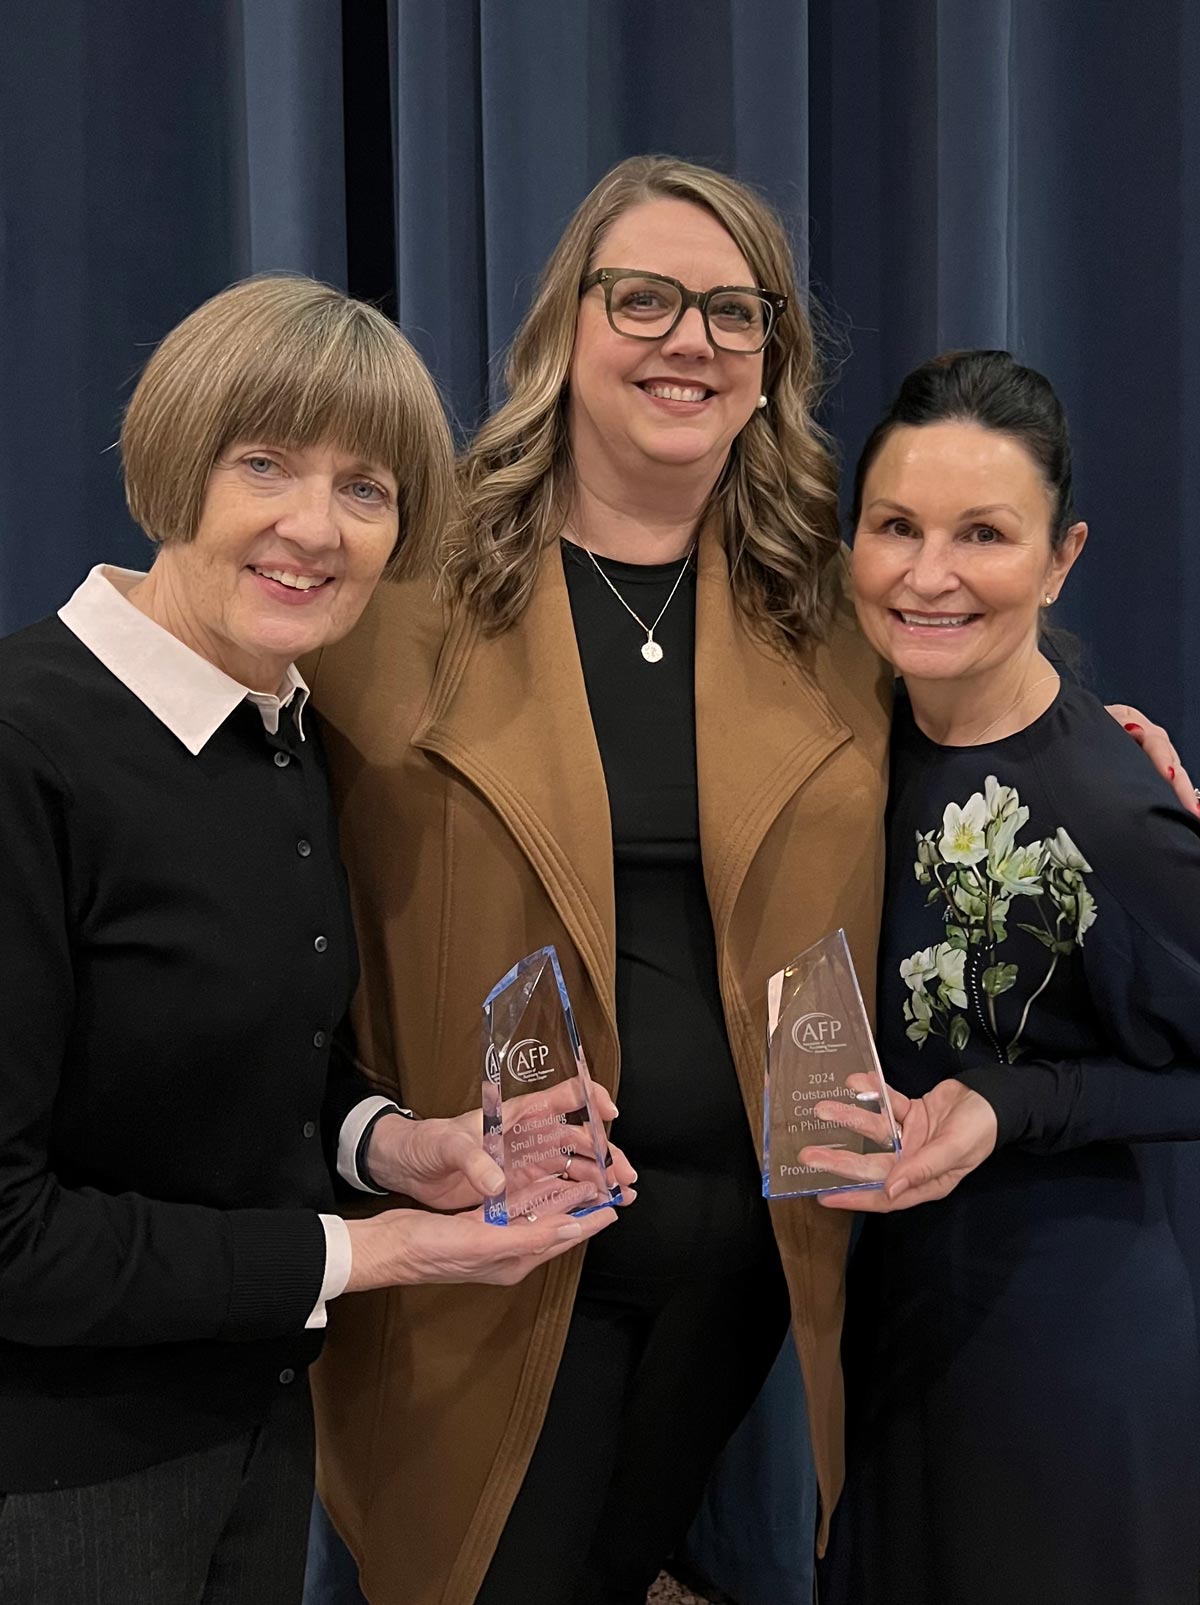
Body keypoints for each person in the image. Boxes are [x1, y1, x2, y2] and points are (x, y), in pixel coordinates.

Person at [304, 162, 1192, 1605]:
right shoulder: (405, 599)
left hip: (748, 1271)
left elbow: (984, 687)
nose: (689, 338)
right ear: (565, 329)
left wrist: (1113, 767)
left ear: (771, 359)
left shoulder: (825, 610)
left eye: (733, 311)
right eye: (643, 298)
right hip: (511, 1264)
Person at [0, 274, 624, 1605]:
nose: (314, 527)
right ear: (177, 468)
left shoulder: (276, 726)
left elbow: (243, 1067)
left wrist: (407, 1147)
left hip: (252, 1429)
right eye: (265, 464)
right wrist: (378, 1249)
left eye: (365, 487)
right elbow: (11, 1236)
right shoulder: (24, 747)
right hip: (51, 1481)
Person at [807, 350, 1200, 1605]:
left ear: (1062, 556)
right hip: (883, 1337)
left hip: (1059, 1361)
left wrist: (1009, 1102)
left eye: (984, 534)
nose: (928, 574)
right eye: (896, 528)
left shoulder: (1112, 807)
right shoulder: (846, 733)